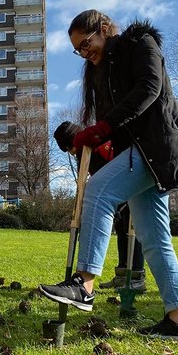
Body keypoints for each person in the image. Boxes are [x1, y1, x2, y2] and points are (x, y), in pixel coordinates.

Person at [40, 11, 178, 340]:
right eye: (79, 50)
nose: (86, 53)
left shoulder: (140, 44)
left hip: (158, 148)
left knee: (98, 192)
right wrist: (103, 138)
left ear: (104, 30)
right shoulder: (101, 72)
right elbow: (114, 120)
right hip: (139, 154)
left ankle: (84, 283)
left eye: (87, 44)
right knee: (155, 239)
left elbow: (150, 88)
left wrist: (102, 129)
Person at [53, 120, 146, 292]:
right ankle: (122, 274)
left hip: (128, 190)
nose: (71, 153)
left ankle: (136, 277)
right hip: (113, 198)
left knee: (131, 228)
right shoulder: (84, 152)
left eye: (68, 148)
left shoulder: (98, 144)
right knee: (121, 230)